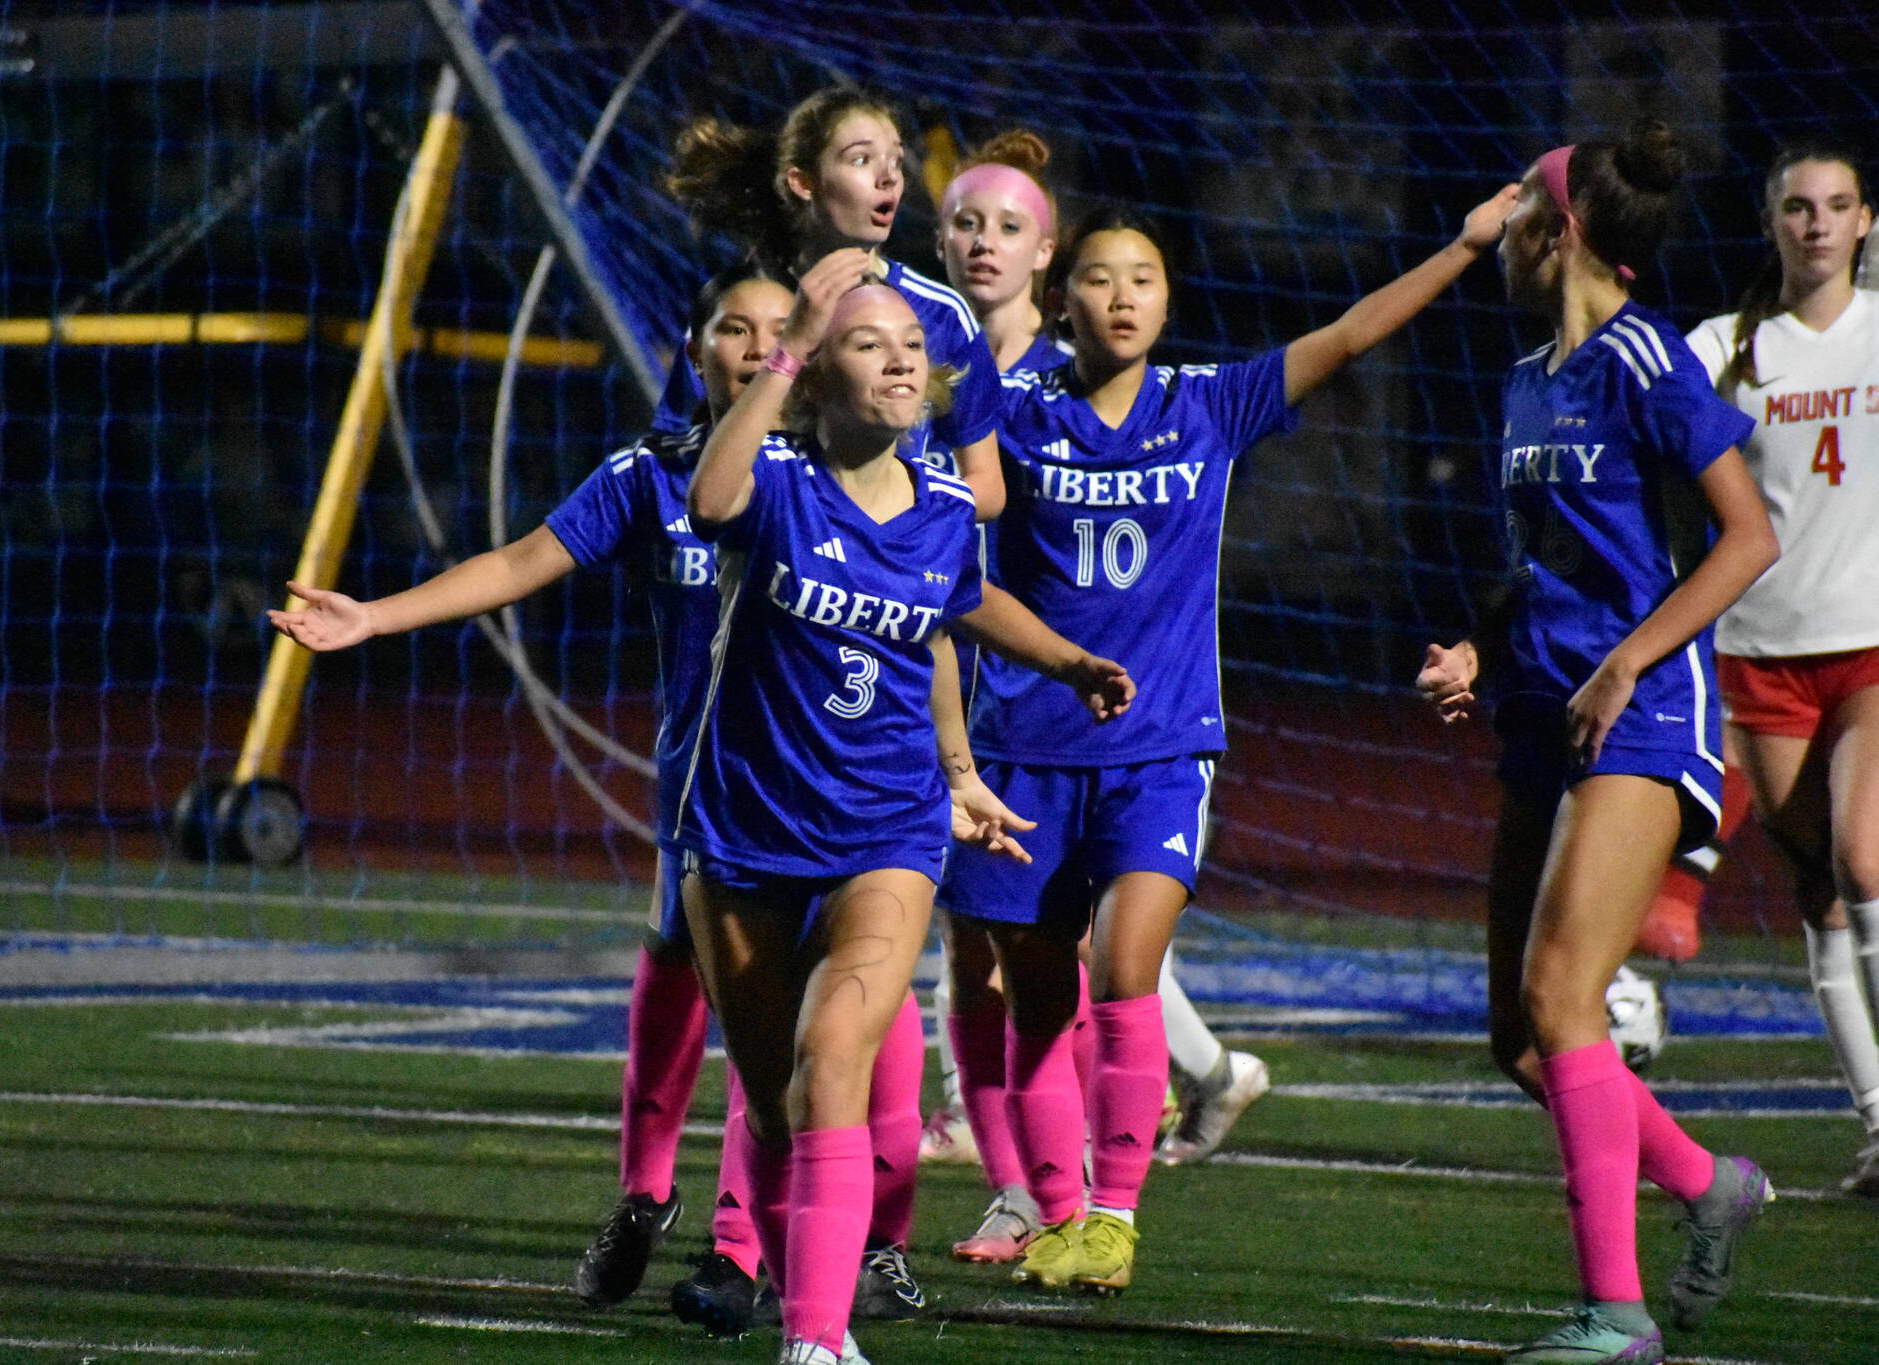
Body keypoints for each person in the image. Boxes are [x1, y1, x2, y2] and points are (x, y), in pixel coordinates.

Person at [945, 178, 1521, 1297]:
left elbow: (1351, 334)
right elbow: (947, 568)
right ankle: (1059, 1213)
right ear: (1059, 300)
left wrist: (1459, 249)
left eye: (1142, 279)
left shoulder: (1208, 402)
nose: (1120, 297)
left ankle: (1111, 1214)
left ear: (1165, 301)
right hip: (1021, 749)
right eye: (1098, 280)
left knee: (1121, 971)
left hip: (1160, 748)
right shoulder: (1004, 415)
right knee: (1033, 995)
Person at [268, 265, 792, 1322]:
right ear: (693, 354)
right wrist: (373, 616)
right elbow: (522, 559)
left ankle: (743, 1250)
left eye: (780, 330)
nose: (755, 346)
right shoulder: (655, 476)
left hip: (835, 798)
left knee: (777, 1025)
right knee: (680, 980)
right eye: (733, 328)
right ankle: (644, 1197)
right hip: (708, 796)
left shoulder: (859, 472)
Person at [680, 249, 1133, 1365]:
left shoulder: (942, 506)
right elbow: (709, 497)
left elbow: (961, 611)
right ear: (818, 373)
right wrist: (783, 349)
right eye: (865, 341)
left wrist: (1067, 665)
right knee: (779, 1102)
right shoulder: (776, 482)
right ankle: (807, 1304)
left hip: (884, 828)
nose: (897, 358)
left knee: (833, 1055)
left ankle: (816, 1342)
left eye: (909, 346)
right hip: (745, 829)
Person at [1415, 122, 1781, 1363]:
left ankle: (1612, 1319)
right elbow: (1543, 565)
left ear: (1555, 229)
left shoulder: (1645, 355)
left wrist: (1629, 656)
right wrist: (1476, 645)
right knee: (1515, 1037)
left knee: (1562, 998)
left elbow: (1744, 539)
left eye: (1516, 211)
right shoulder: (1529, 374)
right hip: (1541, 711)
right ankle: (1703, 1181)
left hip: (1639, 711)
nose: (1502, 232)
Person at [920, 131, 1267, 1272]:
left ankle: (1076, 1202)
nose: (982, 244)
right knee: (981, 960)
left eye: (1006, 227)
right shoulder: (939, 369)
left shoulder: (1071, 393)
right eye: (964, 224)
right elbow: (926, 563)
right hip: (980, 720)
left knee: (1087, 963)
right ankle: (1033, 1187)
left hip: (1105, 727)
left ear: (1043, 258)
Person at [1684, 142, 1879, 1195]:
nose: (1815, 224)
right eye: (1797, 207)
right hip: (1759, 653)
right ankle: (1875, 1123)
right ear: (1770, 221)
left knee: (1862, 860)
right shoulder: (1721, 348)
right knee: (1819, 894)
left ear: (1862, 223)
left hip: (1869, 646)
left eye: (1836, 206)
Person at [665, 86, 1006, 519]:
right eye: (861, 160)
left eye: (897, 162)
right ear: (803, 182)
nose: (889, 177)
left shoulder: (940, 313)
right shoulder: (737, 314)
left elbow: (988, 487)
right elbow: (680, 466)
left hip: (899, 575)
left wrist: (886, 525)